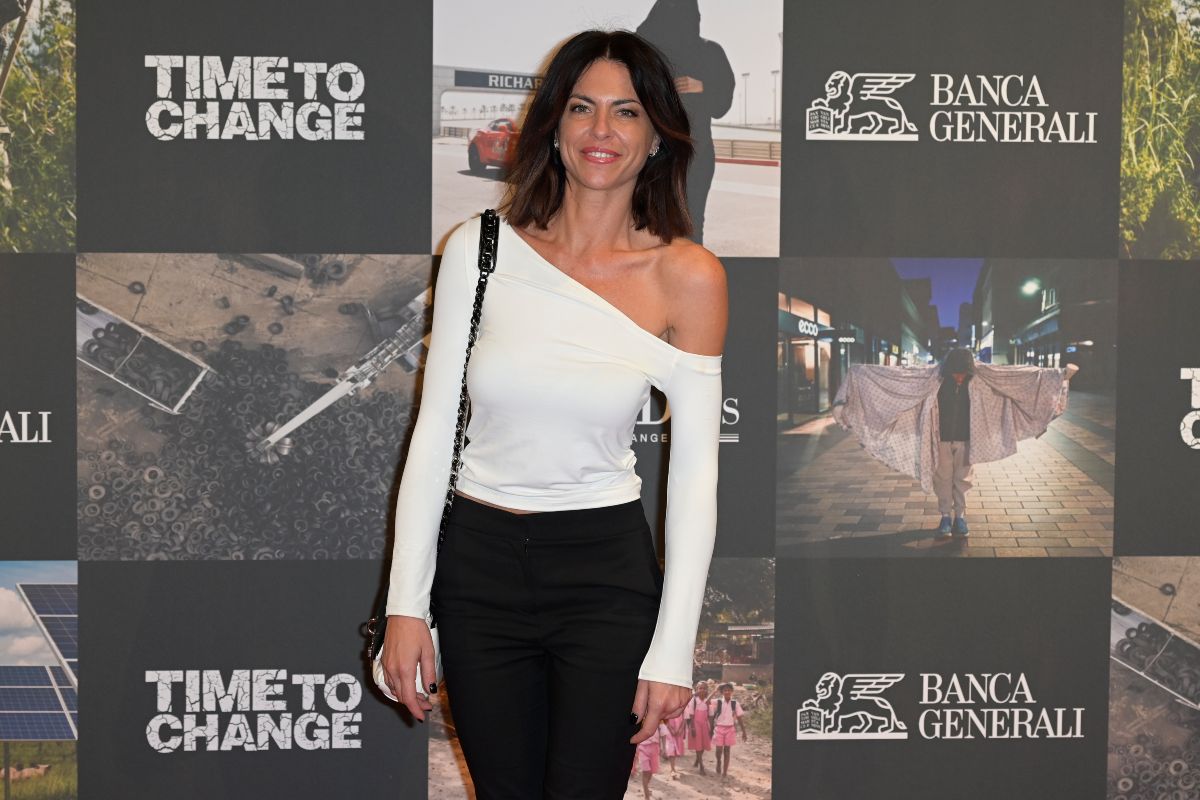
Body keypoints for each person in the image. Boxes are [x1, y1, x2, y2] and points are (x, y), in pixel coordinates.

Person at [379, 29, 728, 799]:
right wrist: (405, 605)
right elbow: (433, 432)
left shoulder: (687, 275)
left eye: (626, 111)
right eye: (581, 107)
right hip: (478, 573)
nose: (602, 130)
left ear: (657, 137)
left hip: (603, 576)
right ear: (554, 125)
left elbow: (696, 476)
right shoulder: (480, 250)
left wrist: (674, 646)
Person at [831, 348, 1079, 541]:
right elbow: (896, 377)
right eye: (956, 373)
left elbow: (1018, 376)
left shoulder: (982, 378)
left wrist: (1059, 375)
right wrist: (854, 380)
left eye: (963, 374)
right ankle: (944, 517)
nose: (959, 377)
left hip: (967, 439)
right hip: (940, 438)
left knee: (963, 479)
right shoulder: (933, 379)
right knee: (942, 480)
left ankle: (960, 516)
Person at [636, 0, 735, 246]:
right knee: (650, 223)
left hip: (695, 155)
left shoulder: (710, 52)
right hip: (654, 153)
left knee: (690, 223)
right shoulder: (650, 55)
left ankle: (689, 271)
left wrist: (703, 87)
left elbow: (722, 104)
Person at [708, 682, 747, 780]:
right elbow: (706, 702)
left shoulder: (735, 703)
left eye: (729, 690)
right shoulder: (718, 702)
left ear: (732, 691)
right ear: (722, 692)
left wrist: (744, 731)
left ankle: (724, 772)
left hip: (730, 729)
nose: (727, 692)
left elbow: (739, 718)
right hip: (719, 728)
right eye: (725, 690)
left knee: (727, 750)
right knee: (718, 750)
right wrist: (715, 690)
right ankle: (718, 762)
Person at [684, 680, 714, 774]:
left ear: (707, 690)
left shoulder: (708, 701)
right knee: (698, 745)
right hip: (696, 724)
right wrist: (692, 727)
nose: (702, 690)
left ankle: (698, 759)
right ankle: (701, 766)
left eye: (704, 688)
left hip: (704, 725)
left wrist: (711, 728)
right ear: (697, 689)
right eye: (700, 688)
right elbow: (691, 715)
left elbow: (711, 715)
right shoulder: (694, 700)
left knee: (703, 744)